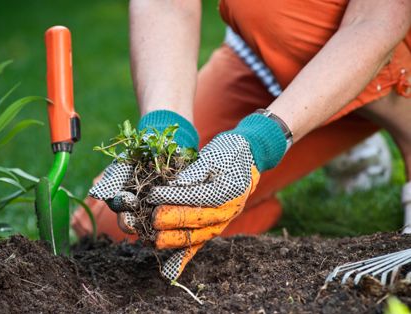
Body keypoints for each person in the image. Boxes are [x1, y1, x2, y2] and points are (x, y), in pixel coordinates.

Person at [72, 0, 411, 281]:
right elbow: (166, 5)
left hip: (378, 34)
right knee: (119, 227)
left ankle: (392, 125)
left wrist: (261, 139)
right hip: (266, 53)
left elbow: (377, 20)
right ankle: (330, 120)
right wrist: (164, 134)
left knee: (263, 7)